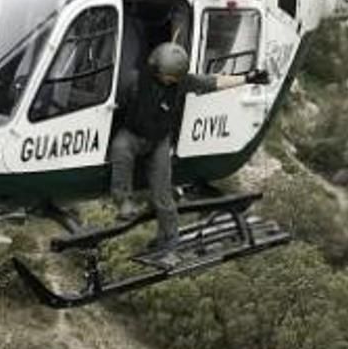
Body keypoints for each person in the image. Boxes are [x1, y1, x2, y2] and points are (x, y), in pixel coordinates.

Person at [111, 30, 270, 250]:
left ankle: (169, 241)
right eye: (168, 76)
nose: (170, 81)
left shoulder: (182, 82)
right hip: (132, 134)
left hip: (158, 140)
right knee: (120, 150)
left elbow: (212, 82)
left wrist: (247, 78)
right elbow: (115, 104)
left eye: (174, 78)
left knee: (163, 193)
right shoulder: (134, 80)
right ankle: (124, 203)